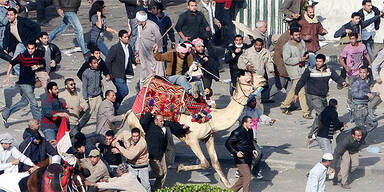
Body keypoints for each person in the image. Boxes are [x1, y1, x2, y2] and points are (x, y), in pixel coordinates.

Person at [293, 54, 347, 141]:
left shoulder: (329, 70)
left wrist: (343, 82)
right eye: (317, 61)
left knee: (319, 115)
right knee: (323, 113)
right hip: (312, 95)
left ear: (324, 62)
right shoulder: (310, 70)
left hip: (323, 96)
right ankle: (326, 130)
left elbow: (336, 78)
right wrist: (296, 93)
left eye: (320, 61)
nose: (318, 63)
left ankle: (312, 133)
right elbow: (301, 81)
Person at [139, 112, 189, 190]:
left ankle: (158, 189)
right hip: (152, 155)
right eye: (161, 121)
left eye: (163, 121)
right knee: (160, 173)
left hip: (161, 154)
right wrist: (150, 113)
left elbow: (173, 125)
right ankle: (147, 181)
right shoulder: (150, 126)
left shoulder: (164, 125)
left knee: (164, 172)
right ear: (156, 121)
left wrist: (182, 127)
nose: (163, 122)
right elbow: (142, 121)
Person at [2, 41, 43, 128]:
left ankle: (6, 114)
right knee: (34, 103)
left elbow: (43, 63)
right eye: (29, 48)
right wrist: (7, 76)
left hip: (32, 82)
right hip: (24, 83)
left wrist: (38, 66)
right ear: (26, 48)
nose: (30, 50)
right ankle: (39, 123)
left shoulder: (38, 55)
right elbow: (11, 63)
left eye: (32, 48)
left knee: (24, 102)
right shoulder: (22, 56)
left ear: (35, 48)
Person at [238, 97, 276, 179]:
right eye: (252, 101)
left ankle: (243, 170)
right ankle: (250, 171)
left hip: (253, 138)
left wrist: (269, 120)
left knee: (251, 155)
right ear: (248, 103)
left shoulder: (256, 112)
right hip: (244, 138)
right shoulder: (244, 112)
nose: (254, 103)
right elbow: (240, 118)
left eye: (255, 101)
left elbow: (263, 117)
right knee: (257, 154)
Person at [279, 27, 311, 118]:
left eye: (299, 34)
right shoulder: (287, 46)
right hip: (293, 70)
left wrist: (306, 56)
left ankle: (284, 105)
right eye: (296, 35)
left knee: (294, 89)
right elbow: (287, 60)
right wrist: (299, 59)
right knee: (301, 91)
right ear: (291, 36)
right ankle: (306, 112)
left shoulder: (302, 42)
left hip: (302, 69)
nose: (298, 36)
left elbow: (304, 52)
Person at [238, 38, 274, 112]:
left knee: (258, 96)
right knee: (248, 96)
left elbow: (268, 61)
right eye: (257, 45)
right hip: (249, 78)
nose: (258, 47)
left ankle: (259, 113)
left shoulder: (265, 52)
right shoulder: (247, 52)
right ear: (254, 44)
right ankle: (245, 111)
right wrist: (246, 67)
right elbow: (240, 63)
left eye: (260, 45)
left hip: (259, 79)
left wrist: (271, 69)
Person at [3, 8, 41, 76]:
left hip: (30, 43)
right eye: (8, 15)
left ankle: (36, 76)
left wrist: (37, 38)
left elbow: (36, 26)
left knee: (33, 61)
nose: (9, 16)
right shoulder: (8, 25)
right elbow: (6, 37)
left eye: (11, 15)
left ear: (16, 15)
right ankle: (23, 77)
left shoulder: (23, 21)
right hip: (21, 45)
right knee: (14, 62)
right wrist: (5, 48)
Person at [105, 29, 135, 111]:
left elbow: (132, 58)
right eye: (125, 37)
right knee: (124, 91)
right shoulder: (115, 48)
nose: (127, 39)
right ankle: (110, 101)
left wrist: (136, 60)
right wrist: (109, 73)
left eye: (127, 37)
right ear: (120, 38)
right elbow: (107, 61)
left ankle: (114, 109)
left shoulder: (129, 47)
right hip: (116, 74)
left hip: (123, 74)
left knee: (121, 92)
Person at [225, 116, 256, 192]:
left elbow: (250, 142)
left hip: (248, 157)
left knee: (243, 178)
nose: (252, 124)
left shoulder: (250, 130)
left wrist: (253, 150)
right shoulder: (237, 132)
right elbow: (227, 143)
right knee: (247, 176)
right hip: (240, 159)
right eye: (250, 122)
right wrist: (236, 152)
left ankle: (231, 191)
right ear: (244, 123)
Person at [339, 32, 371, 105]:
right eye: (350, 39)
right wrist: (345, 66)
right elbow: (340, 59)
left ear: (356, 39)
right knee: (352, 88)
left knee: (363, 86)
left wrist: (370, 63)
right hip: (351, 72)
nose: (351, 41)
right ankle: (350, 103)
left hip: (361, 72)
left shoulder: (362, 46)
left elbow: (366, 54)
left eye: (353, 39)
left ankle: (363, 103)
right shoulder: (347, 48)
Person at [135, 10, 164, 87]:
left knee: (157, 73)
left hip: (153, 54)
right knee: (144, 73)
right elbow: (139, 38)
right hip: (144, 54)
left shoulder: (152, 26)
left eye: (137, 19)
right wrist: (137, 50)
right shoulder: (139, 26)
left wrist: (158, 50)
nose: (136, 20)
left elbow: (159, 39)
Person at [41, 81, 69, 146]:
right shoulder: (46, 99)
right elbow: (47, 113)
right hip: (48, 127)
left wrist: (64, 106)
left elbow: (56, 106)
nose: (57, 91)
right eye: (55, 89)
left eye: (57, 89)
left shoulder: (55, 98)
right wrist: (60, 114)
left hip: (56, 126)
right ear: (50, 90)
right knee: (52, 146)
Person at [351, 66, 378, 132]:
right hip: (358, 107)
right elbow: (354, 94)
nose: (362, 74)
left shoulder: (368, 80)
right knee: (360, 128)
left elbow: (369, 93)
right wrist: (365, 94)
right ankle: (358, 138)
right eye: (360, 72)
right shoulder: (356, 82)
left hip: (366, 106)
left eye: (364, 72)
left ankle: (361, 135)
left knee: (373, 123)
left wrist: (374, 93)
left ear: (367, 73)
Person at [82, 56, 103, 125]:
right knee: (87, 115)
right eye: (94, 63)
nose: (96, 64)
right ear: (90, 64)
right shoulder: (86, 73)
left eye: (97, 63)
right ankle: (77, 128)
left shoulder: (98, 71)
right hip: (91, 97)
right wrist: (86, 99)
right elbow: (84, 86)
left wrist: (101, 94)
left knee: (101, 113)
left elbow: (100, 83)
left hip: (98, 96)